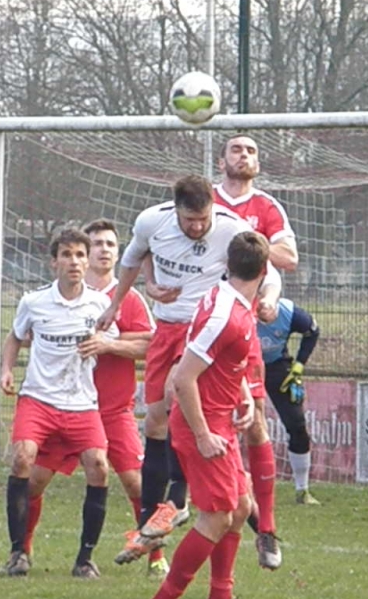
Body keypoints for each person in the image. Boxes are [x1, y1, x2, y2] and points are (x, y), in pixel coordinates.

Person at [97, 175, 282, 566]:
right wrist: (120, 303)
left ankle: (265, 528)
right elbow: (131, 259)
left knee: (252, 424)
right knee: (155, 422)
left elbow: (268, 270)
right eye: (190, 220)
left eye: (203, 219)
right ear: (175, 209)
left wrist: (269, 298)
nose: (197, 227)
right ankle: (153, 520)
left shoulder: (233, 228)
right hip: (168, 328)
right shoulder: (152, 222)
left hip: (217, 332)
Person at [21, 219, 169, 576]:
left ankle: (154, 556)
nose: (104, 250)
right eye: (97, 243)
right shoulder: (57, 296)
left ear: (119, 254)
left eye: (111, 245)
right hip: (62, 406)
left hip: (111, 412)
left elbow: (152, 346)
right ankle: (21, 550)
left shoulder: (128, 299)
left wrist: (110, 344)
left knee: (136, 482)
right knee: (34, 480)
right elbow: (28, 336)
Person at [140, 231, 271, 599]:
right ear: (264, 272)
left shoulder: (227, 300)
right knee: (215, 517)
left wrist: (243, 394)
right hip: (204, 427)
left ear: (227, 265)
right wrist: (201, 434)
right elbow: (183, 378)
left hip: (220, 421)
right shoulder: (226, 316)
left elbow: (223, 367)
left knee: (241, 507)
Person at [0, 229, 113, 579]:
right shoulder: (34, 302)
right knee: (22, 459)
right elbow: (15, 337)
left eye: (80, 254)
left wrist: (104, 343)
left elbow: (115, 340)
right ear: (54, 262)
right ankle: (18, 553)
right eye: (67, 255)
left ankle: (85, 558)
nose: (75, 261)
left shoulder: (100, 304)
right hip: (39, 398)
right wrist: (6, 369)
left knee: (99, 466)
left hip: (81, 402)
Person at [212, 134, 298, 570]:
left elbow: (288, 256)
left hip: (243, 330)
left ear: (257, 164)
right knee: (170, 409)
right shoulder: (203, 202)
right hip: (203, 323)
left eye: (250, 151)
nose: (243, 156)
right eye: (235, 150)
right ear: (220, 159)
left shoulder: (266, 207)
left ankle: (265, 528)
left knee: (254, 424)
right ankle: (171, 502)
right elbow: (158, 241)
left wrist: (264, 283)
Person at [259, 297, 322, 505]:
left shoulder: (291, 313)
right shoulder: (238, 309)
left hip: (277, 366)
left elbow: (312, 332)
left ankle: (302, 490)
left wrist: (299, 365)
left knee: (297, 425)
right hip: (242, 367)